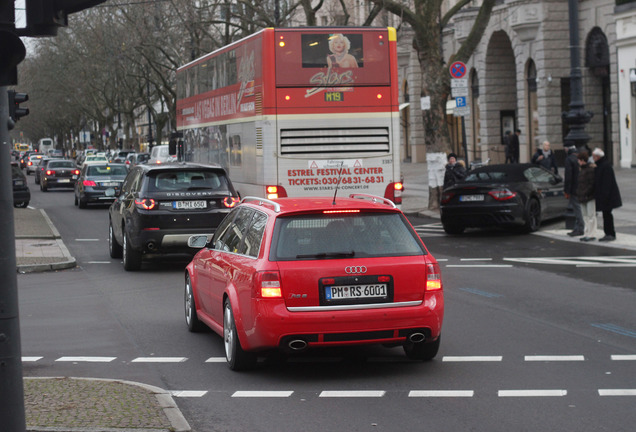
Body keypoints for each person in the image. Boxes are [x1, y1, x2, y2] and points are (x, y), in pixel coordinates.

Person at [592, 148, 622, 242]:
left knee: (607, 215)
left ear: (597, 157)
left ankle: (610, 233)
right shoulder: (601, 165)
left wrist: (604, 196)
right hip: (605, 196)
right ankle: (608, 233)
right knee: (606, 215)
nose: (593, 158)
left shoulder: (605, 166)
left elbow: (607, 183)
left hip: (608, 196)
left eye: (593, 156)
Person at [575, 150, 597, 242]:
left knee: (591, 215)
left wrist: (585, 193)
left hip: (589, 196)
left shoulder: (589, 170)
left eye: (578, 160)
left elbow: (591, 184)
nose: (578, 162)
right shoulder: (582, 169)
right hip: (582, 196)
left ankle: (591, 234)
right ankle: (587, 233)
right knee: (585, 216)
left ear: (582, 160)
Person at [563, 145, 584, 237]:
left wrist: (566, 190)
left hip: (573, 188)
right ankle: (578, 227)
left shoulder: (569, 160)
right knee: (579, 208)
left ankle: (580, 228)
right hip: (581, 187)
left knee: (577, 209)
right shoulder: (578, 159)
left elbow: (568, 176)